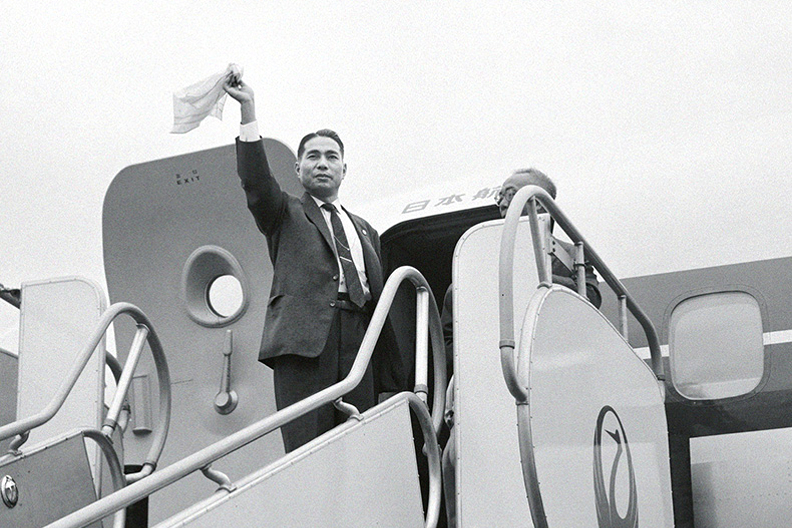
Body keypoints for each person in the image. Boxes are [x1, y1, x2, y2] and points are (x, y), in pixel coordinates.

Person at [223, 76, 401, 452]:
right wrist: (248, 110)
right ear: (298, 168)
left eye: (331, 157)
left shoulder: (366, 230)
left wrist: (389, 373)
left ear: (344, 169)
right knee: (308, 448)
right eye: (313, 156)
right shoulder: (284, 213)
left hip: (359, 341)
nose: (323, 164)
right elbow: (255, 181)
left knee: (359, 446)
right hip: (305, 346)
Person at [440, 167, 602, 526]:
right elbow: (452, 336)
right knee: (453, 464)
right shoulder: (476, 258)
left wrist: (532, 277)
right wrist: (456, 381)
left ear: (540, 199)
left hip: (547, 387)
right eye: (499, 193)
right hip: (485, 385)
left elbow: (590, 295)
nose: (500, 199)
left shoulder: (567, 252)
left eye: (510, 192)